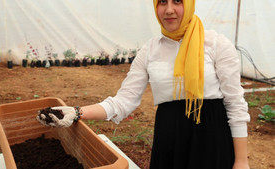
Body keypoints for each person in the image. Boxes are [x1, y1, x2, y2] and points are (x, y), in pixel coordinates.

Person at [37, 0, 250, 168]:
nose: (169, 10)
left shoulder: (216, 44)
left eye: (177, 1)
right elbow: (123, 102)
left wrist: (241, 161)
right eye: (162, 2)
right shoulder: (150, 50)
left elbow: (235, 104)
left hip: (211, 141)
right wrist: (76, 112)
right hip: (170, 141)